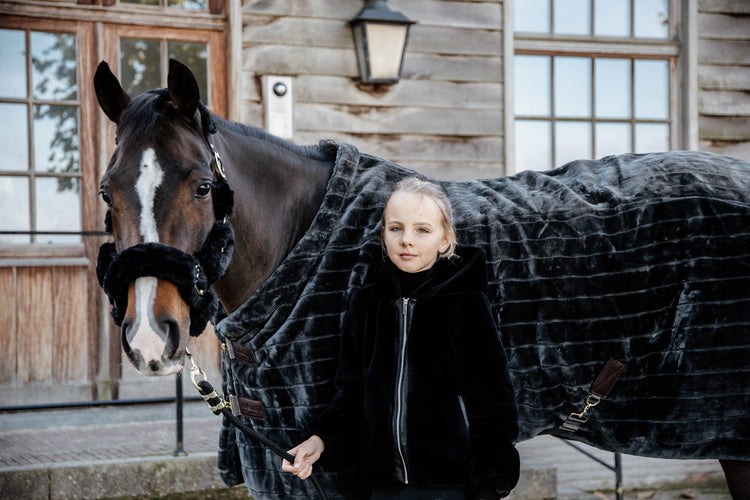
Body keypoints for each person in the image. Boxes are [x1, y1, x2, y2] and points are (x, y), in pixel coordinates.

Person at [282, 177, 520, 499]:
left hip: (452, 487)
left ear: (445, 240)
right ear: (383, 234)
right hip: (382, 487)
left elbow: (494, 401)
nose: (407, 240)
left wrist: (491, 483)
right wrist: (318, 440)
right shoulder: (366, 305)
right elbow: (349, 397)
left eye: (422, 230)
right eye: (396, 228)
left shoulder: (466, 304)